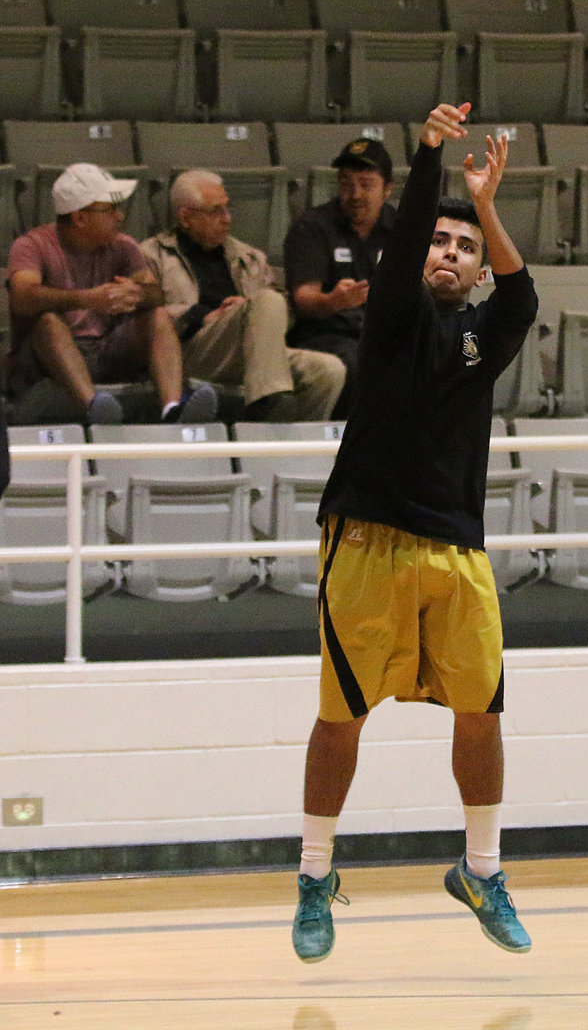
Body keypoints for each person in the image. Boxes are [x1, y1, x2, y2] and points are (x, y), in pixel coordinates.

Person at [292, 102, 538, 963]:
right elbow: (400, 259)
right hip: (366, 536)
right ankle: (315, 874)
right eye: (440, 240)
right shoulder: (394, 315)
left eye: (463, 248)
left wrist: (487, 204)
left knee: (482, 714)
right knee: (341, 720)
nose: (450, 252)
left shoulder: (485, 331)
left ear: (474, 271)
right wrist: (431, 152)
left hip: (457, 549)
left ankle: (481, 869)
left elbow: (524, 295)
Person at [7, 163, 217, 426]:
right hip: (46, 360)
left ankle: (173, 408)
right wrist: (87, 298)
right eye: (110, 209)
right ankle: (93, 406)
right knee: (47, 321)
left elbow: (156, 294)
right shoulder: (31, 245)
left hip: (106, 349)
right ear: (80, 217)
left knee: (157, 314)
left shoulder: (123, 245)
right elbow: (23, 297)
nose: (120, 216)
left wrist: (138, 294)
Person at [141, 170, 346, 423]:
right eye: (216, 211)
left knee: (328, 370)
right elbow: (143, 316)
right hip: (188, 352)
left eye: (228, 209)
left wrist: (250, 311)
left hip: (255, 352)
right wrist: (201, 315)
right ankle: (267, 405)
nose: (227, 219)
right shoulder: (152, 255)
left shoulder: (249, 257)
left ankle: (286, 447)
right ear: (185, 217)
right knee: (267, 300)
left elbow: (287, 314)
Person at [283, 136, 396, 416]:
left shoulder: (402, 228)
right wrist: (334, 301)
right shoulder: (312, 227)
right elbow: (304, 300)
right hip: (327, 334)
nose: (355, 193)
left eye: (366, 184)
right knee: (362, 362)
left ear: (387, 190)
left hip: (386, 332)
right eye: (346, 184)